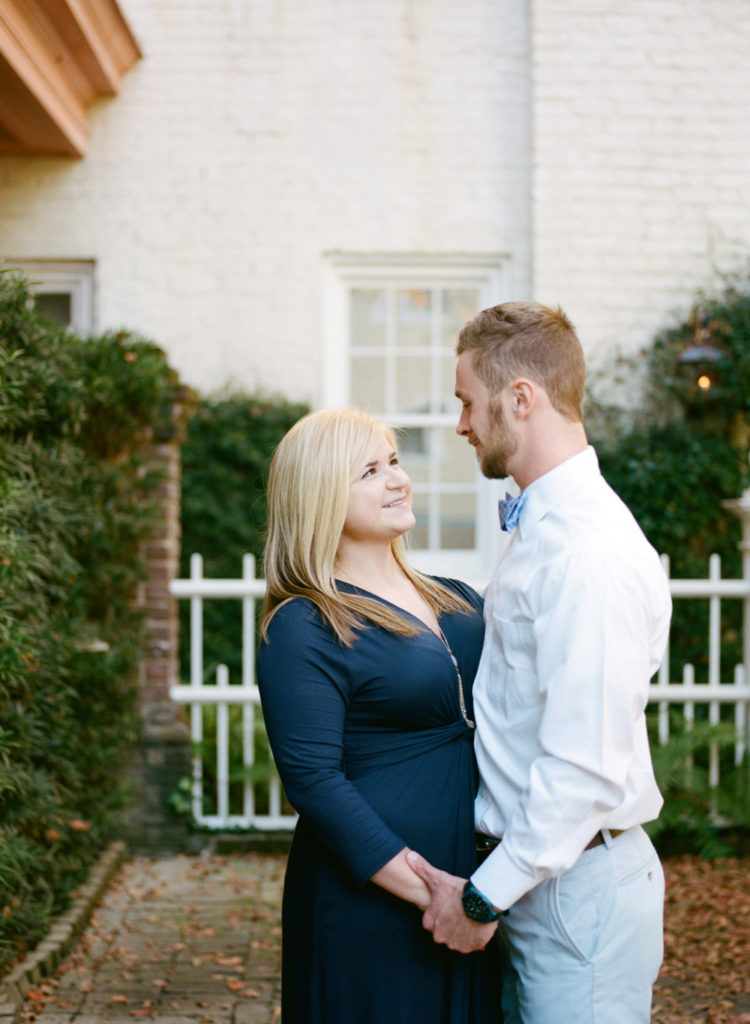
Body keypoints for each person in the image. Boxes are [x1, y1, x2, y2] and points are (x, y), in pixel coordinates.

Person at [408, 302, 672, 1024]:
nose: (460, 424)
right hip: (545, 879)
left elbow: (584, 763)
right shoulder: (543, 527)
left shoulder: (585, 556)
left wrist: (485, 895)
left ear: (519, 399)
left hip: (570, 889)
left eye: (467, 402)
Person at [256, 408, 501, 1024]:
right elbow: (314, 782)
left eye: (393, 461)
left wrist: (481, 894)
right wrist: (438, 897)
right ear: (318, 496)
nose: (398, 480)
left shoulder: (460, 599)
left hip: (472, 886)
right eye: (369, 471)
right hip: (372, 898)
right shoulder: (305, 623)